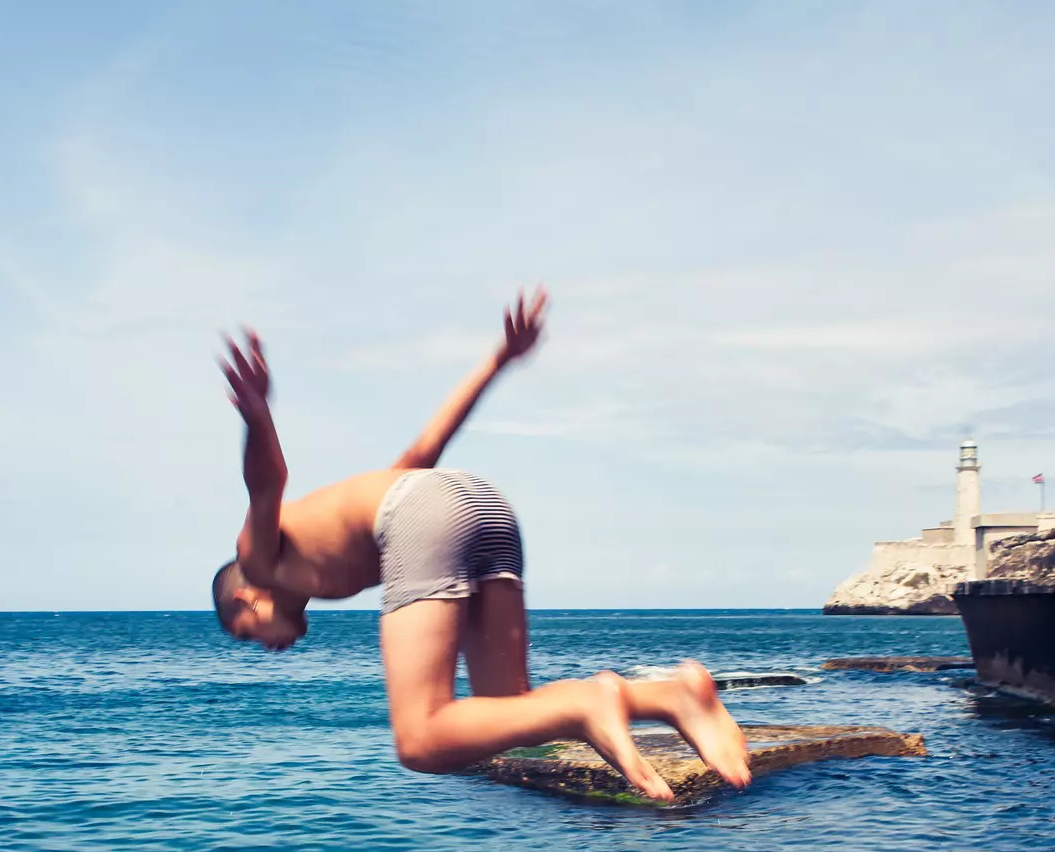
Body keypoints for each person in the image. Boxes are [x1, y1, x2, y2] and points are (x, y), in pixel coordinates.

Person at [211, 289, 750, 804]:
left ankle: (589, 704)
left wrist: (258, 417)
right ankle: (671, 695)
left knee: (420, 740)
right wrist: (498, 360)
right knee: (509, 714)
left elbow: (267, 483)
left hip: (425, 513)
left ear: (246, 600)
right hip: (479, 504)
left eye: (247, 635)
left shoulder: (258, 560)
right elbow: (426, 449)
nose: (265, 647)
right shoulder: (319, 550)